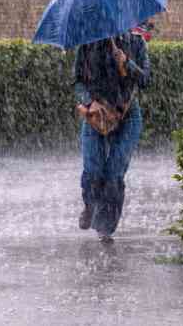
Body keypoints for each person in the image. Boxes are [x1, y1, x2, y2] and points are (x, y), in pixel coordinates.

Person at [74, 28, 151, 243]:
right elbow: (78, 81)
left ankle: (105, 228)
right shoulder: (87, 44)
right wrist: (89, 101)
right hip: (96, 114)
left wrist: (127, 63)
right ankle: (90, 205)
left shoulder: (136, 42)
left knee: (114, 172)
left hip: (127, 115)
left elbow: (145, 80)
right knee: (93, 169)